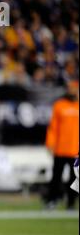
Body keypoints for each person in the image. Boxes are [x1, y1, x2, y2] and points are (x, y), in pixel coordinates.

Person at [45, 80, 79, 210]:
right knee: (56, 177)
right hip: (60, 148)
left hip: (76, 150)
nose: (72, 91)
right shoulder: (59, 105)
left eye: (74, 88)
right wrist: (50, 143)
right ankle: (51, 201)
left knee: (74, 179)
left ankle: (71, 203)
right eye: (70, 88)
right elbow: (53, 127)